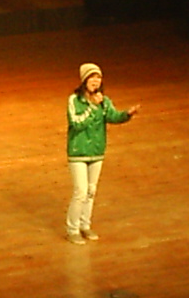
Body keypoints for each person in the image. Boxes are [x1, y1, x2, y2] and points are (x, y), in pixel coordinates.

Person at [65, 63, 140, 245]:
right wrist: (92, 107)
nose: (95, 81)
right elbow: (76, 123)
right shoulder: (74, 100)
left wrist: (127, 114)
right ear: (84, 80)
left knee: (91, 192)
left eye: (98, 77)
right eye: (92, 77)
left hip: (97, 152)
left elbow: (113, 117)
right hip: (78, 152)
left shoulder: (104, 101)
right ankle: (72, 229)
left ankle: (85, 225)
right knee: (80, 191)